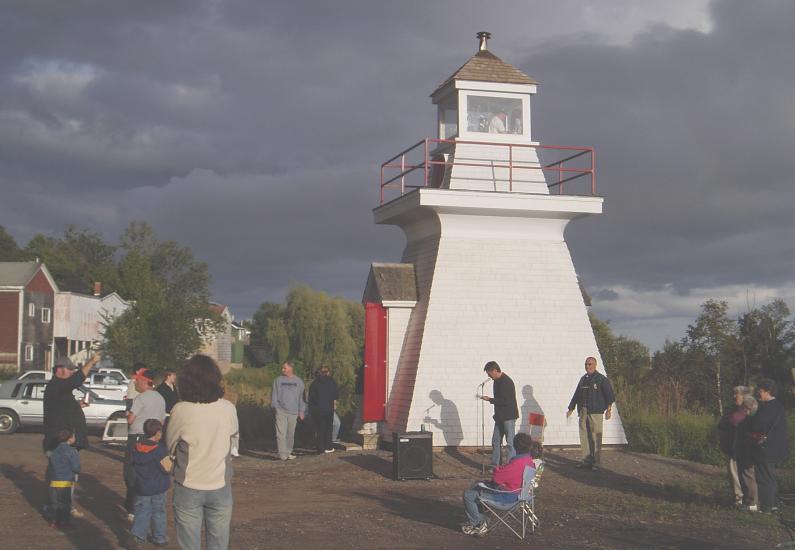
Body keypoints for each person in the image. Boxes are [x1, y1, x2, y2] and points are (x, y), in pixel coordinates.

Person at [167, 354, 239, 550]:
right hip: (220, 485)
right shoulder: (228, 408)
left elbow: (171, 444)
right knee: (219, 544)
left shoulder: (180, 410)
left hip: (188, 485)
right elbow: (233, 442)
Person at [43, 353, 100, 518]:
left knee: (56, 474)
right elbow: (76, 380)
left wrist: (78, 405)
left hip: (60, 440)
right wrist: (92, 361)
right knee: (65, 476)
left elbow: (63, 407)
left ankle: (55, 505)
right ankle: (63, 507)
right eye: (70, 370)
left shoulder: (58, 388)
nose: (71, 373)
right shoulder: (57, 385)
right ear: (60, 370)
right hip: (60, 441)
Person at [461, 432, 536, 537]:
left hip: (508, 498)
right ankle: (482, 520)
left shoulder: (516, 463)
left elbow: (496, 479)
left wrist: (496, 469)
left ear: (515, 446)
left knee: (468, 494)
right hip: (520, 494)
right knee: (477, 487)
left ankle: (477, 524)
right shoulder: (529, 461)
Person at [124, 367, 166, 520]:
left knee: (132, 472)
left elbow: (130, 420)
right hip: (154, 438)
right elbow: (162, 420)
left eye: (137, 380)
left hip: (137, 437)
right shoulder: (161, 398)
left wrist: (128, 413)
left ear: (144, 381)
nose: (135, 383)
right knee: (151, 471)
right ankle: (150, 506)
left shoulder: (140, 399)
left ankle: (133, 507)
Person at [566, 356, 615, 471]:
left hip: (596, 412)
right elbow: (576, 395)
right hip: (583, 411)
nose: (587, 366)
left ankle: (596, 462)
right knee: (584, 436)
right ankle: (586, 460)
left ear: (595, 365)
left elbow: (610, 395)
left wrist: (609, 409)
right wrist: (571, 408)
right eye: (586, 364)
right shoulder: (583, 379)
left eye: (590, 364)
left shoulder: (601, 379)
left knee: (595, 437)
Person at [748, 378, 789, 513]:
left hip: (766, 448)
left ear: (768, 392)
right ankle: (773, 504)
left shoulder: (769, 407)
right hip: (773, 447)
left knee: (764, 477)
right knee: (769, 476)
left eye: (760, 391)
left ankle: (767, 506)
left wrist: (750, 420)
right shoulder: (777, 406)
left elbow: (758, 425)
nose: (758, 394)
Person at [129, 419, 171, 548]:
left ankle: (137, 537)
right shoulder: (160, 450)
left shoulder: (136, 447)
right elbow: (167, 468)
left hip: (142, 487)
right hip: (158, 487)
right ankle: (159, 538)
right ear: (158, 432)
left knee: (142, 512)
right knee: (159, 512)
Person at [718, 386, 753, 507]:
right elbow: (724, 421)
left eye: (736, 394)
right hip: (731, 447)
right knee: (734, 474)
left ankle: (740, 499)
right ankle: (739, 498)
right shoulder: (735, 408)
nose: (734, 396)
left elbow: (733, 420)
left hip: (739, 448)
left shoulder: (745, 409)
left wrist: (726, 420)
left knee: (738, 474)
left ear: (744, 396)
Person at [480, 361, 519, 467]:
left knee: (510, 442)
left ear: (495, 370)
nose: (488, 376)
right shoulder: (496, 381)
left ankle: (511, 466)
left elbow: (506, 401)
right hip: (500, 416)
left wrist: (490, 400)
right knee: (495, 440)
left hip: (508, 416)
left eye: (489, 373)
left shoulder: (506, 382)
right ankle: (495, 465)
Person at [271, 361, 306, 461]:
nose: (282, 370)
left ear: (290, 368)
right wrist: (276, 407)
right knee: (280, 434)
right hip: (281, 411)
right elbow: (274, 395)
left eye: (284, 368)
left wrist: (302, 411)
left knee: (290, 434)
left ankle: (288, 452)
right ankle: (283, 455)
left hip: (294, 412)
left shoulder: (299, 382)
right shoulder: (278, 380)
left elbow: (302, 398)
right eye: (282, 368)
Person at [48, 428, 80, 530]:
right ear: (70, 439)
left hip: (54, 480)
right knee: (66, 503)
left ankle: (54, 521)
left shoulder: (55, 450)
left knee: (55, 503)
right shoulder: (72, 451)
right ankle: (64, 522)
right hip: (66, 481)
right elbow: (76, 467)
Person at [308, 367, 339, 454]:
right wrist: (334, 405)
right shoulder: (332, 382)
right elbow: (335, 395)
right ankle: (328, 446)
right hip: (329, 408)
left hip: (318, 409)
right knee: (329, 428)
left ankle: (320, 448)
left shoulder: (314, 383)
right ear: (327, 372)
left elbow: (311, 398)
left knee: (320, 428)